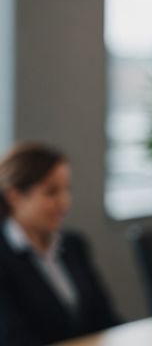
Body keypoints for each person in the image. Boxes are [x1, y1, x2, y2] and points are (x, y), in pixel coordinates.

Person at [0, 143, 119, 345]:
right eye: (51, 192)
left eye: (66, 190)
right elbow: (14, 339)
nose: (65, 202)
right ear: (14, 196)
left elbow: (106, 319)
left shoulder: (73, 245)